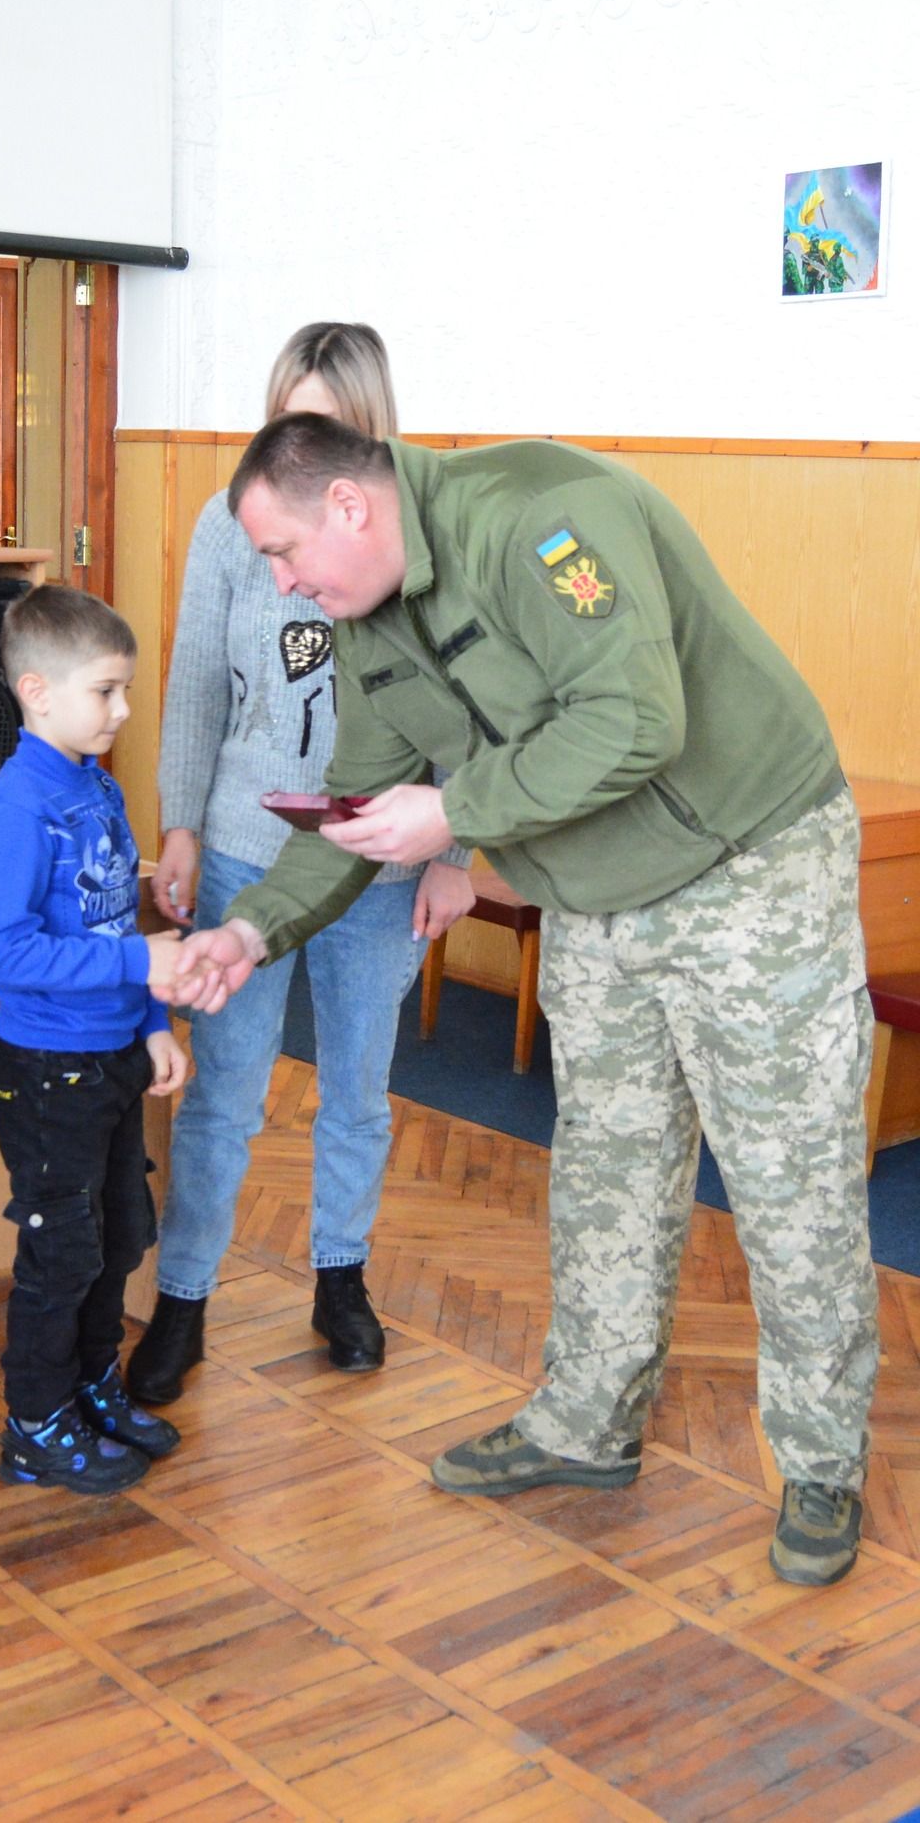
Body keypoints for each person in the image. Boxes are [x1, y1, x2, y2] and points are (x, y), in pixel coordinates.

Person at [172, 410, 878, 1586]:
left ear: (347, 504)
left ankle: (820, 1466)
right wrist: (251, 929)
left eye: (284, 552)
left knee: (785, 1175)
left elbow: (632, 719)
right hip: (592, 892)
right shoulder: (361, 616)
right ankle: (585, 1424)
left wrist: (452, 813)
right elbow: (356, 804)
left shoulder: (543, 520)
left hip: (747, 864)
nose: (281, 582)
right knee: (606, 1168)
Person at [130, 323, 475, 1404]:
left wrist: (455, 851)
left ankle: (340, 1279)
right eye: (285, 418)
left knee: (358, 1093)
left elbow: (464, 705)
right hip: (244, 851)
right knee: (224, 1094)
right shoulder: (227, 525)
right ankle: (182, 1297)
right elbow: (196, 681)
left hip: (382, 862)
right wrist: (180, 824)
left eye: (321, 423)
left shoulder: (412, 535)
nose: (297, 444)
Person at [0, 584, 191, 1494]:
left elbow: (116, 921)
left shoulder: (97, 788)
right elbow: (5, 951)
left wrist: (154, 1023)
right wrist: (141, 966)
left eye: (123, 689)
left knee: (119, 1233)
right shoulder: (18, 806)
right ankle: (35, 1423)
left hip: (111, 1058)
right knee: (61, 1254)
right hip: (43, 1067)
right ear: (37, 691)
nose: (123, 709)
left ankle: (93, 1388)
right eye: (106, 691)